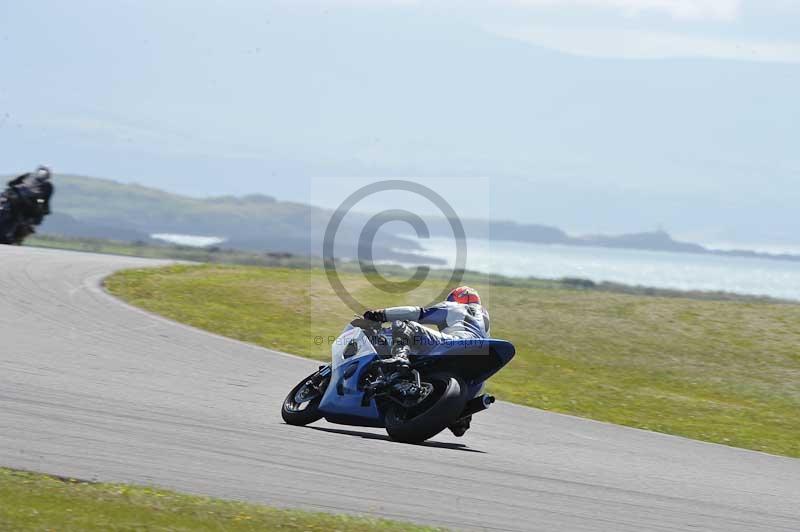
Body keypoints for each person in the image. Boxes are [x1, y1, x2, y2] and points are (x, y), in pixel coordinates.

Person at [362, 285, 489, 436]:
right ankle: (462, 415)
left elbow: (418, 313)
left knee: (403, 324)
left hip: (456, 343)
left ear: (455, 299)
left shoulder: (454, 306)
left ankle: (400, 357)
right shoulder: (484, 318)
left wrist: (380, 315)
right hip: (478, 364)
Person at [0, 166, 54, 244]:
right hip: (15, 196)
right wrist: (13, 186)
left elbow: (44, 199)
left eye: (44, 174)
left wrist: (41, 205)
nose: (41, 175)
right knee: (4, 197)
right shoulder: (27, 176)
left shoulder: (47, 186)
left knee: (36, 216)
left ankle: (15, 234)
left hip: (29, 203)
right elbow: (12, 183)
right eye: (41, 172)